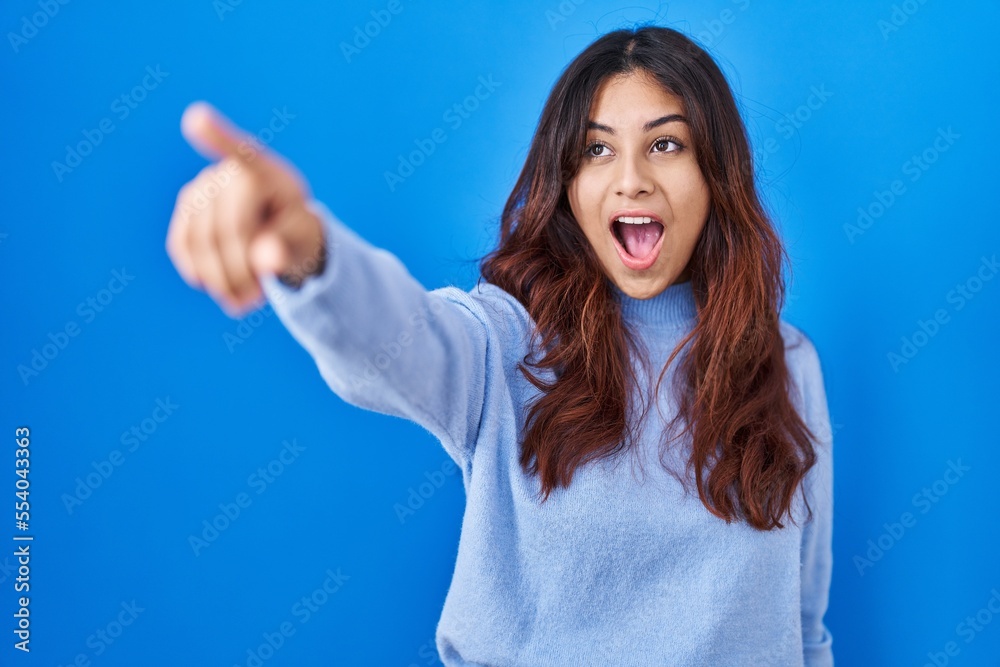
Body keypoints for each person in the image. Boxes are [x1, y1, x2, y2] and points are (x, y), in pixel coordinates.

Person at [165, 24, 834, 667]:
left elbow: (802, 628)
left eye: (666, 144)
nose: (631, 178)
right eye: (597, 150)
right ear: (567, 185)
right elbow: (400, 342)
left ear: (717, 173)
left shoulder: (789, 362)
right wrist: (309, 249)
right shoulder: (508, 342)